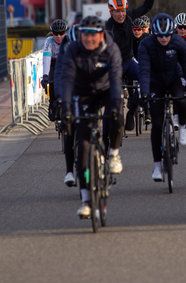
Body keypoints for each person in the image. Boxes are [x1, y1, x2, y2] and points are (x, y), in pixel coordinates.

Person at [61, 16, 124, 219]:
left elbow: (115, 78)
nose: (89, 38)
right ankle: (86, 200)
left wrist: (115, 105)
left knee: (117, 116)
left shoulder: (111, 49)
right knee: (84, 145)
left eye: (93, 34)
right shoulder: (73, 50)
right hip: (83, 92)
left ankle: (113, 153)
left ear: (101, 34)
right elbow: (68, 79)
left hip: (106, 89)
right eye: (85, 34)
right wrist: (66, 107)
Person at [138, 13, 186, 181]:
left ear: (172, 32)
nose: (164, 38)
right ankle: (157, 167)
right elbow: (144, 70)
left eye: (167, 35)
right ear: (154, 34)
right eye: (160, 35)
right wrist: (144, 92)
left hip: (174, 78)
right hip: (155, 81)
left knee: (180, 98)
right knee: (156, 124)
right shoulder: (146, 45)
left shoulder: (177, 41)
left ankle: (183, 127)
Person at [106, 0, 159, 131]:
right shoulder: (108, 28)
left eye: (122, 11)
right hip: (115, 66)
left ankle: (133, 110)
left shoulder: (130, 17)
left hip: (129, 63)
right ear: (111, 12)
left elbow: (147, 6)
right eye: (117, 12)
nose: (121, 15)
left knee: (148, 79)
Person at [54, 24, 81, 187]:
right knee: (69, 126)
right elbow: (59, 74)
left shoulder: (92, 48)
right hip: (70, 89)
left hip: (87, 89)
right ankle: (69, 170)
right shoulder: (65, 49)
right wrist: (60, 98)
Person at [41, 19, 67, 121]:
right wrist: (45, 76)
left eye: (61, 33)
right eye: (56, 34)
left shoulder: (69, 40)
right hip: (53, 64)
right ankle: (52, 104)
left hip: (65, 63)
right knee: (52, 83)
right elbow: (46, 59)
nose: (59, 36)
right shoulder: (49, 41)